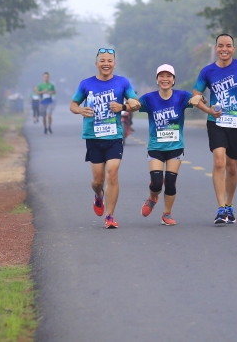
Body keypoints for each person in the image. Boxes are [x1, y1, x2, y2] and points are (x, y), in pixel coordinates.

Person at [192, 33, 237, 225]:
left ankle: (229, 204)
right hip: (217, 121)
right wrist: (207, 108)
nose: (224, 49)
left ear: (233, 49)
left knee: (232, 166)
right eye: (220, 46)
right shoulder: (207, 71)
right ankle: (220, 208)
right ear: (216, 48)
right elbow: (196, 95)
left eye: (228, 46)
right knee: (219, 162)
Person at [70, 49, 139, 229]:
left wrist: (123, 105)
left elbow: (135, 103)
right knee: (98, 180)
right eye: (102, 60)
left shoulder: (122, 82)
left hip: (115, 135)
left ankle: (110, 216)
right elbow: (73, 104)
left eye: (110, 60)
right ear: (97, 64)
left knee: (113, 174)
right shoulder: (86, 84)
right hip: (93, 136)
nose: (106, 63)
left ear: (114, 64)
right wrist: (80, 110)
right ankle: (99, 195)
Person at [138, 64, 202, 226]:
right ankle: (152, 199)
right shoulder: (149, 98)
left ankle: (167, 214)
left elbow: (198, 99)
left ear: (173, 80)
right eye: (161, 76)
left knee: (171, 182)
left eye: (168, 76)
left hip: (175, 146)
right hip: (156, 147)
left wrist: (201, 98)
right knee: (157, 181)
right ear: (157, 79)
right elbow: (134, 106)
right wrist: (126, 105)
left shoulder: (182, 96)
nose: (165, 79)